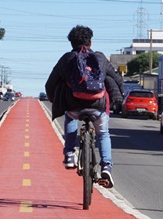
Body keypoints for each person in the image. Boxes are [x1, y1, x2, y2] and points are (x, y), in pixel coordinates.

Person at [45, 25, 124, 189]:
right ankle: (106, 167)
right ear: (91, 42)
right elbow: (117, 79)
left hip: (74, 104)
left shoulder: (67, 59)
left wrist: (55, 101)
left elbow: (50, 84)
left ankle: (69, 154)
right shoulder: (100, 58)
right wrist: (120, 95)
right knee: (103, 134)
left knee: (70, 117)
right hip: (98, 105)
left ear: (71, 43)